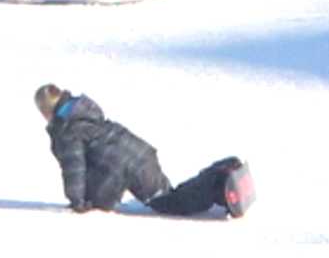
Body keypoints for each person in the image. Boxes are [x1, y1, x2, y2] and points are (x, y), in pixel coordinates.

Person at [34, 84, 253, 219]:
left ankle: (220, 181)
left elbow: (74, 169)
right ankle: (221, 176)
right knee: (170, 196)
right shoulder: (81, 111)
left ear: (46, 110)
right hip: (139, 153)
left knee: (170, 203)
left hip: (125, 167)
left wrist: (77, 202)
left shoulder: (66, 130)